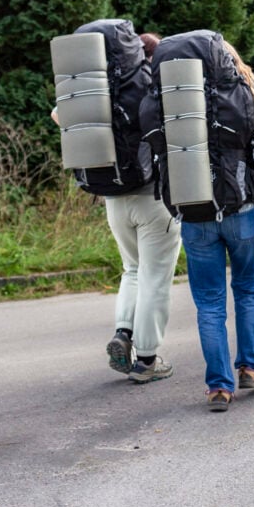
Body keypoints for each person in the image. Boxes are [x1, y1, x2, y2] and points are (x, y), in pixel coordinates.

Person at [52, 29, 182, 383]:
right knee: (155, 278)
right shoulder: (150, 88)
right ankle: (148, 361)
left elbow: (57, 116)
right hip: (154, 197)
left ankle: (123, 333)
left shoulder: (100, 87)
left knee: (133, 270)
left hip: (112, 196)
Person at [173, 40, 254, 412]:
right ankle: (250, 367)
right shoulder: (244, 95)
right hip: (241, 210)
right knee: (246, 290)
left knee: (209, 303)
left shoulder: (171, 99)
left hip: (194, 216)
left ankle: (218, 387)